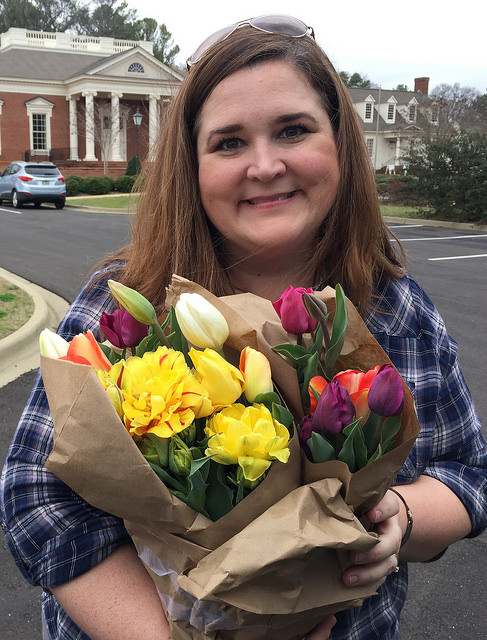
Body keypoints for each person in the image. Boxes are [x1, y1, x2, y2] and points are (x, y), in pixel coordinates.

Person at [1, 14, 486, 640]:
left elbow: (466, 474)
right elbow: (38, 497)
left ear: (340, 144)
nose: (264, 165)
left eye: (293, 130)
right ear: (192, 168)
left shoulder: (394, 309)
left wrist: (399, 515)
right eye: (228, 142)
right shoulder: (128, 309)